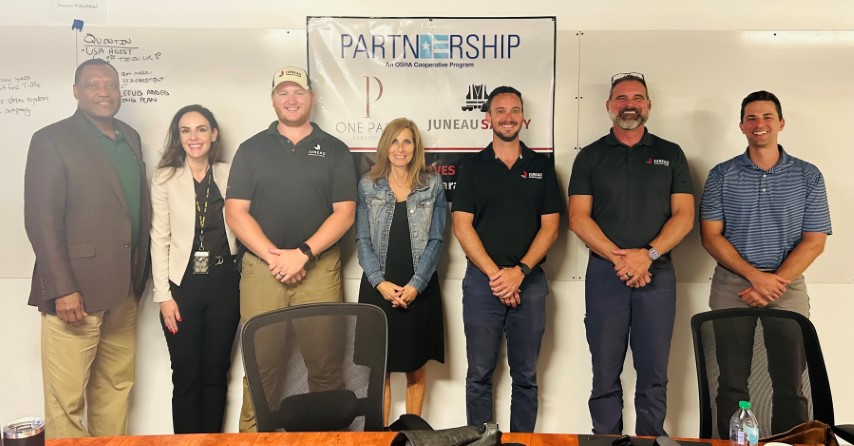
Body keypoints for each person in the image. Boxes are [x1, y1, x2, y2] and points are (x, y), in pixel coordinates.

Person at [225, 65, 357, 432]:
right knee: (260, 367)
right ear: (273, 100)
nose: (291, 99)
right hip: (262, 271)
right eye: (283, 92)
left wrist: (302, 253)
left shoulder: (334, 149)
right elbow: (235, 212)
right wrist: (274, 256)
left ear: (311, 98)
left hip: (318, 269)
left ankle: (324, 441)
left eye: (298, 92)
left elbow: (345, 214)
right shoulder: (251, 150)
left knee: (326, 367)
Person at [23, 58, 151, 438]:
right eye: (93, 85)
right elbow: (41, 221)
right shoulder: (51, 140)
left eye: (110, 85)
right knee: (67, 399)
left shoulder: (130, 136)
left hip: (124, 292)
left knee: (116, 388)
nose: (103, 92)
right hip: (74, 293)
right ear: (76, 91)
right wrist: (62, 288)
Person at [567, 72, 694, 436]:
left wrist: (648, 255)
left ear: (648, 106)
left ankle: (650, 440)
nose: (629, 104)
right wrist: (622, 259)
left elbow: (685, 217)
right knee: (605, 371)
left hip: (658, 276)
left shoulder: (670, 154)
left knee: (654, 372)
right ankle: (607, 441)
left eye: (637, 98)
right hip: (606, 276)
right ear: (609, 107)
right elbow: (578, 218)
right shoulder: (589, 157)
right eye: (621, 98)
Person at [699, 90, 831, 437]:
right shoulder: (721, 175)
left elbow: (814, 241)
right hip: (732, 287)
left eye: (768, 117)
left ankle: (793, 444)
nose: (760, 124)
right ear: (742, 126)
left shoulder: (808, 175)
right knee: (730, 381)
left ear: (781, 123)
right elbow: (711, 236)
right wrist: (755, 277)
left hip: (787, 289)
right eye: (752, 118)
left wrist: (775, 282)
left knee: (790, 381)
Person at [453, 86, 565, 432]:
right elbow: (462, 227)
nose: (508, 117)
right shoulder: (471, 167)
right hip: (481, 285)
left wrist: (520, 272)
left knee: (526, 376)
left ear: (523, 117)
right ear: (488, 119)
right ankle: (482, 441)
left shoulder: (541, 166)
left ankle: (521, 443)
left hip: (529, 285)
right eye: (500, 111)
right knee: (479, 376)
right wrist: (497, 277)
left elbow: (551, 227)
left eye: (514, 110)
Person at [150, 105, 240, 433]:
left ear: (213, 134)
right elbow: (159, 239)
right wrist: (163, 296)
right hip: (182, 287)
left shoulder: (231, 173)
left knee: (217, 375)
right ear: (178, 137)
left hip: (225, 285)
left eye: (201, 129)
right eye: (185, 130)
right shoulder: (165, 179)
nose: (193, 137)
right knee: (187, 375)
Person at [356, 118, 447, 426]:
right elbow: (362, 239)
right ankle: (381, 440)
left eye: (407, 141)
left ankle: (412, 438)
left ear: (415, 147)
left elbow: (436, 239)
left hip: (418, 288)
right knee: (380, 369)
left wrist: (416, 285)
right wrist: (379, 282)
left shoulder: (432, 185)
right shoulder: (368, 185)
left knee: (415, 367)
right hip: (377, 286)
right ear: (385, 147)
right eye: (394, 141)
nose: (400, 148)